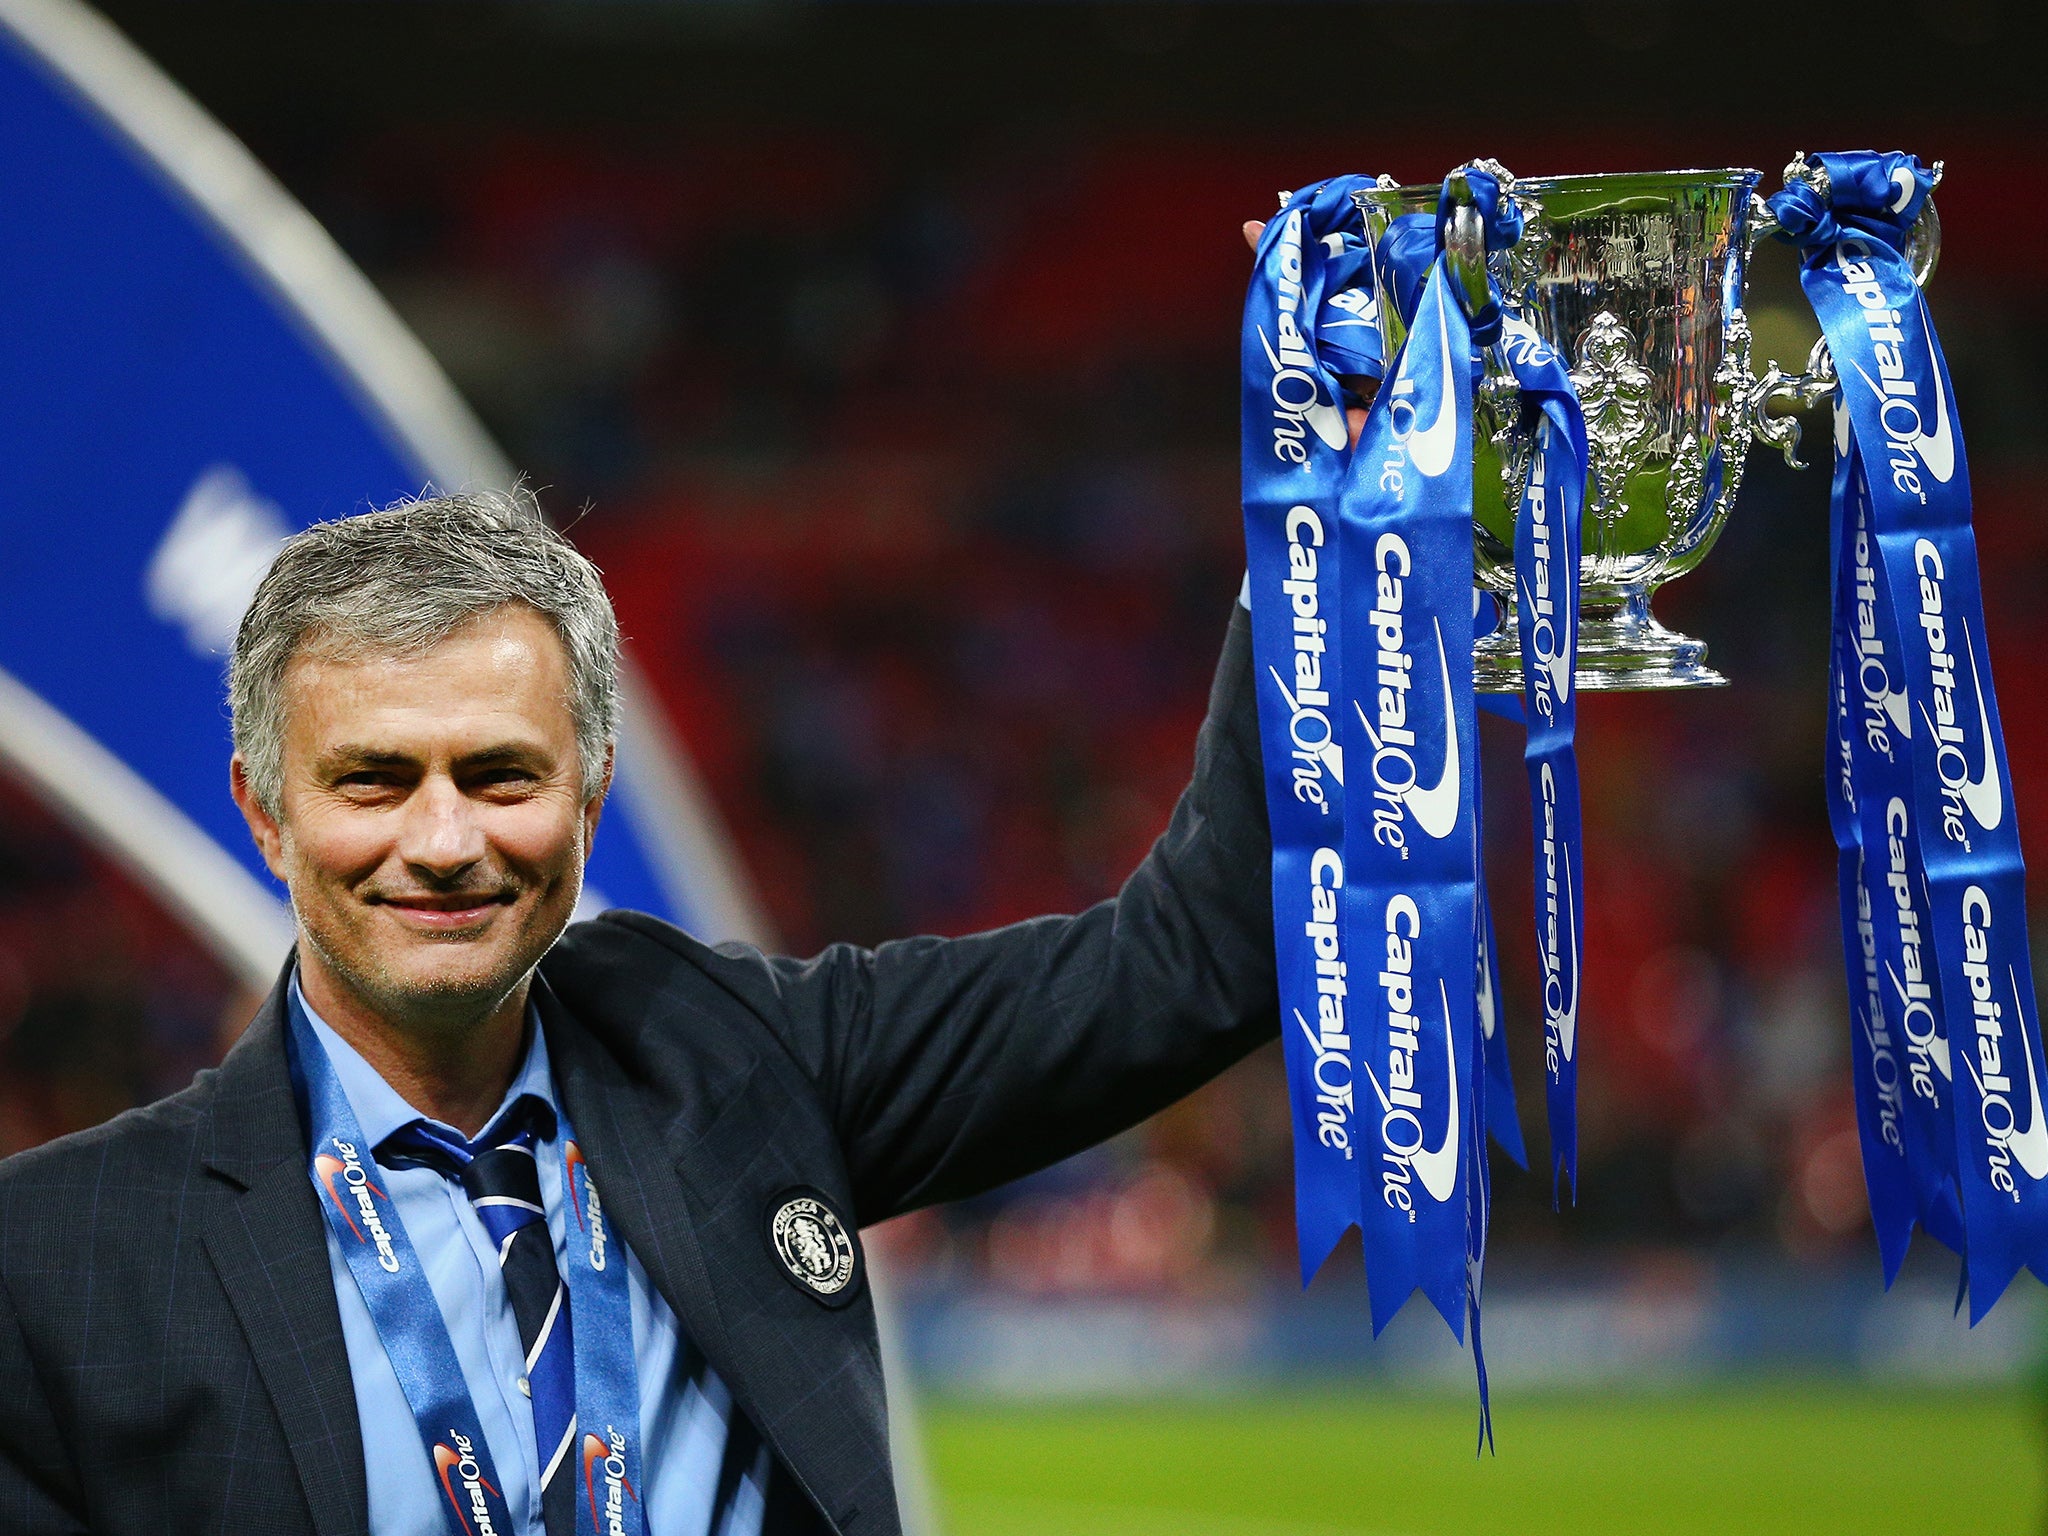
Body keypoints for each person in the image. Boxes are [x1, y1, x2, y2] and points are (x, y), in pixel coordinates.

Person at [0, 483, 1276, 1535]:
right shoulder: (57, 1264)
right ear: (264, 813)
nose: (443, 840)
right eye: (373, 781)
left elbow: (1188, 961)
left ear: (592, 793)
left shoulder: (734, 1063)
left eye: (502, 775)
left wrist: (1324, 527)